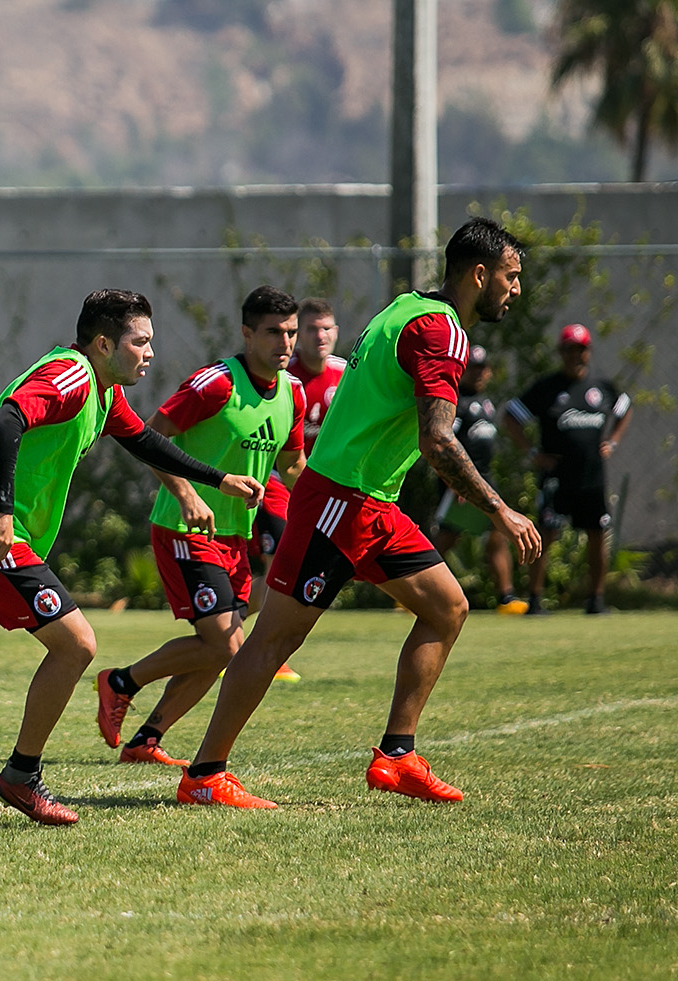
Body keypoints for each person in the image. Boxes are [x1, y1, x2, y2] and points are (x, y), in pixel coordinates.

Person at [177, 217, 543, 810]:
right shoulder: (441, 332)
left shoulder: (407, 307)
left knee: (447, 608)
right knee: (273, 641)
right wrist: (501, 510)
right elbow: (437, 440)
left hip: (372, 503)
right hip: (340, 501)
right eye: (511, 276)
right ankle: (204, 775)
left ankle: (397, 756)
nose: (516, 288)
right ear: (480, 275)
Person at [0, 289, 262, 828]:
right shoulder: (72, 376)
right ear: (103, 344)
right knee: (77, 644)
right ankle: (22, 776)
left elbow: (145, 441)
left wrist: (217, 479)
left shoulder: (103, 390)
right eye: (140, 342)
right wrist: (2, 511)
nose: (150, 353)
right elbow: (8, 420)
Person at [94, 286, 308, 767]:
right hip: (184, 530)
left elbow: (293, 465)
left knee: (220, 649)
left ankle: (146, 740)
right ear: (247, 334)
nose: (286, 343)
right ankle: (121, 681)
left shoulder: (292, 392)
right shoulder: (216, 383)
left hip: (235, 536)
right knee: (227, 643)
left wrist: (327, 507)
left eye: (291, 332)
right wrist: (187, 495)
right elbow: (151, 436)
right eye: (273, 332)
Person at [247, 297, 347, 682]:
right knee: (279, 566)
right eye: (311, 329)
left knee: (288, 571)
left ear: (336, 333)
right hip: (277, 481)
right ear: (299, 335)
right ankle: (266, 651)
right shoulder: (285, 377)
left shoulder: (346, 374)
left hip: (320, 488)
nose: (320, 336)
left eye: (326, 328)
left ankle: (225, 627)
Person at [505, 323, 634, 615]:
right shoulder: (547, 388)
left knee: (597, 534)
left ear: (588, 352)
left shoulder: (601, 387)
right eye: (569, 350)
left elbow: (625, 409)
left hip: (592, 478)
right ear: (561, 353)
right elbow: (511, 416)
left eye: (581, 349)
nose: (575, 355)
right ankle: (535, 599)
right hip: (557, 478)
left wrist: (612, 441)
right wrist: (532, 452)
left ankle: (596, 600)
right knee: (546, 534)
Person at [432, 345, 525, 613]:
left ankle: (506, 597)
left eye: (482, 368)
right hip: (460, 483)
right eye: (473, 368)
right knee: (447, 538)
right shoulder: (456, 403)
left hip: (484, 479)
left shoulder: (486, 404)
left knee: (496, 533)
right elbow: (441, 444)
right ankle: (413, 590)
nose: (479, 373)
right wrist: (455, 482)